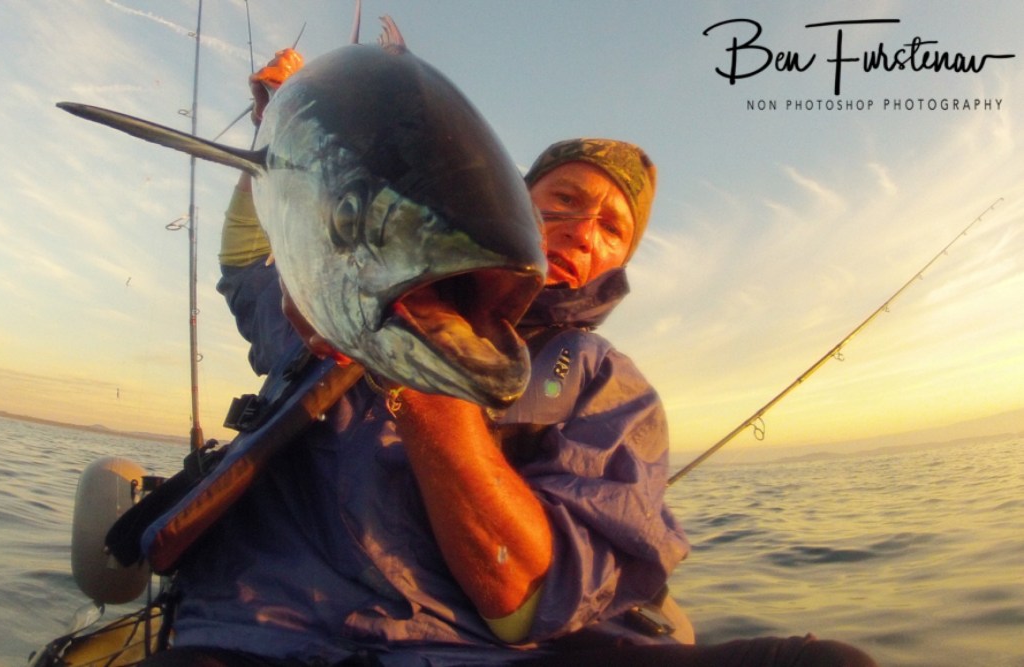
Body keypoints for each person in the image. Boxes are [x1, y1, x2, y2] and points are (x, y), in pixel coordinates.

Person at [148, 52, 877, 667]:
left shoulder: (605, 385)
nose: (582, 232)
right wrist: (278, 149)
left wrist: (423, 368)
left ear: (619, 260)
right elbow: (247, 264)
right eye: (564, 199)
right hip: (255, 630)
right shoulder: (324, 293)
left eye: (612, 227)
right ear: (513, 198)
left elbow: (527, 604)